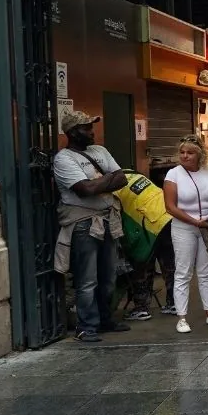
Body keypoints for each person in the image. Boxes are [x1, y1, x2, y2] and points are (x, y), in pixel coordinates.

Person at [52, 110, 130, 343]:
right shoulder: (64, 159)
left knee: (108, 275)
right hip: (83, 223)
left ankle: (105, 319)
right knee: (87, 278)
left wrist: (97, 182)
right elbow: (84, 190)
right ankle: (86, 326)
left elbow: (122, 178)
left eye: (91, 126)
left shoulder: (100, 151)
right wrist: (107, 179)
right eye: (86, 128)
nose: (91, 131)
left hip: (107, 219)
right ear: (72, 132)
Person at [163, 135, 208, 334]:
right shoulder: (173, 175)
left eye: (190, 152)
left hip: (207, 227)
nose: (185, 156)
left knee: (205, 272)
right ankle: (181, 317)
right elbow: (170, 207)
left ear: (199, 154)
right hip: (184, 227)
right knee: (183, 272)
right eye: (182, 152)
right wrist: (195, 222)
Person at [113, 169, 174, 322]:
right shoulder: (135, 174)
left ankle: (142, 308)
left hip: (150, 223)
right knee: (169, 264)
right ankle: (174, 303)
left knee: (141, 264)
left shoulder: (113, 188)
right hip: (168, 217)